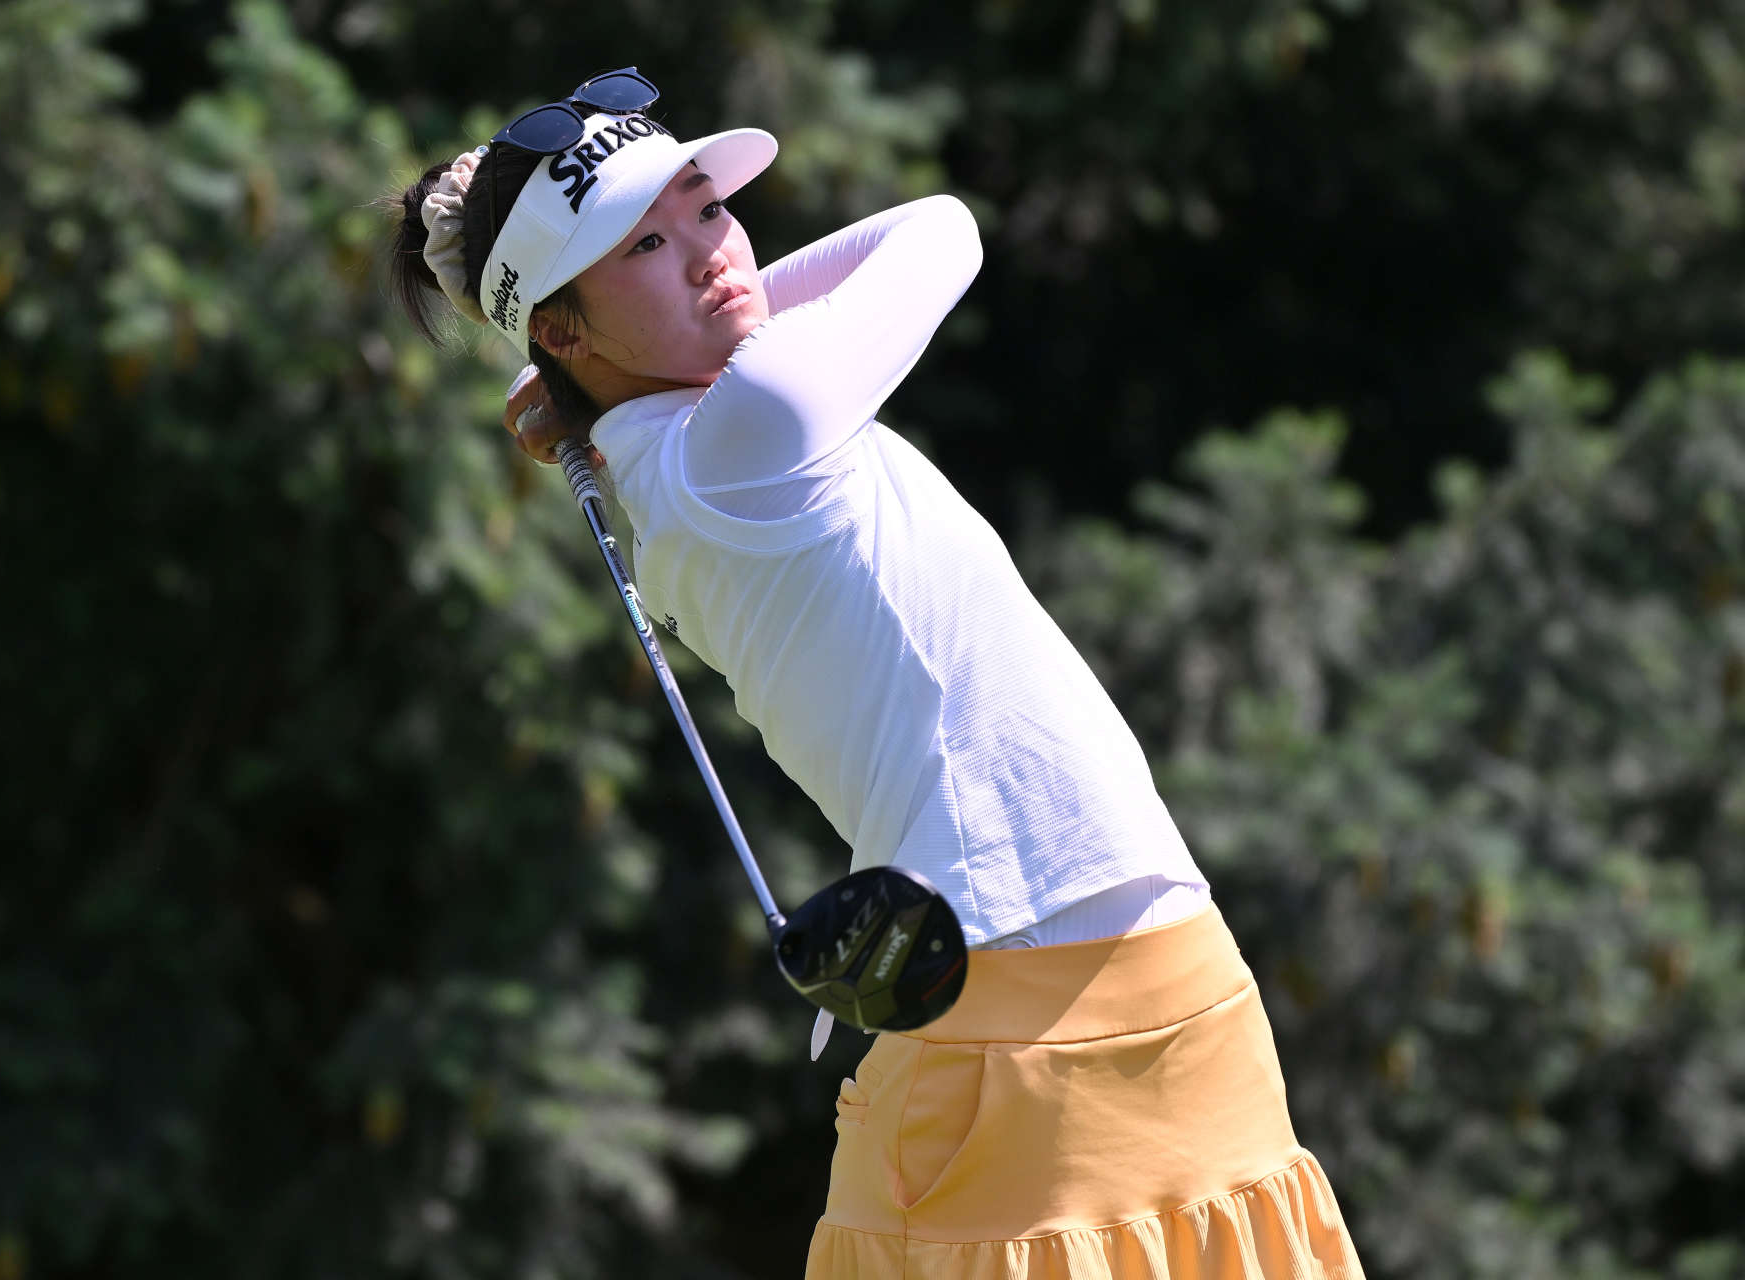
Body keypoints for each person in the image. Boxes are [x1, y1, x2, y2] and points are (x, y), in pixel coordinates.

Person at [384, 67, 1364, 1280]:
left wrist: (585, 382)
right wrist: (582, 388)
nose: (715, 253)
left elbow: (817, 284)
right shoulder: (743, 437)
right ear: (563, 328)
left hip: (1172, 984)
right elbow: (939, 230)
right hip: (1012, 1033)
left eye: (706, 208)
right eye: (647, 242)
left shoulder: (709, 433)